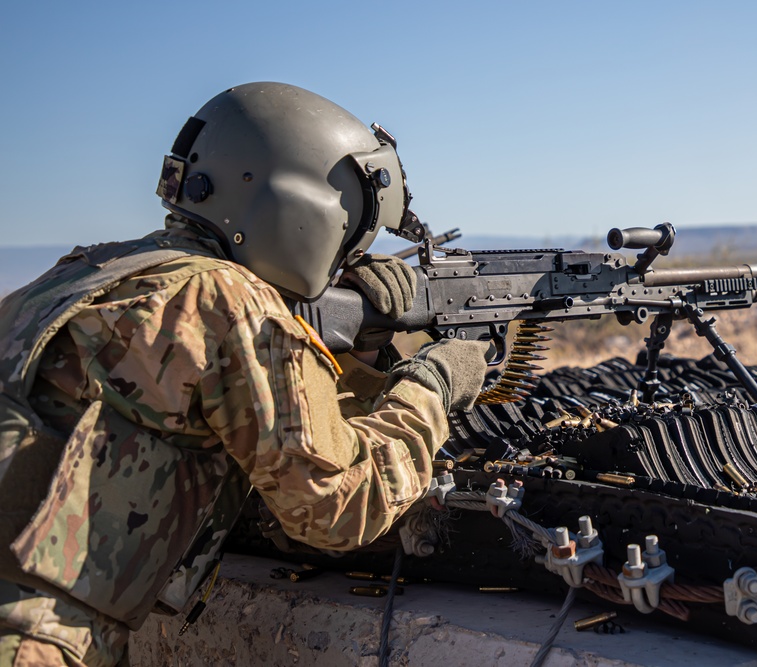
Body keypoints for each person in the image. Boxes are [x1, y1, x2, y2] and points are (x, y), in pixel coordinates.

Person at [0, 82, 490, 667]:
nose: (349, 259)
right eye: (350, 239)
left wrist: (360, 353)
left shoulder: (83, 274)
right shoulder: (228, 301)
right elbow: (338, 506)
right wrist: (431, 384)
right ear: (300, 208)